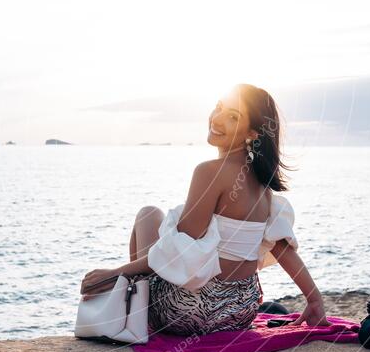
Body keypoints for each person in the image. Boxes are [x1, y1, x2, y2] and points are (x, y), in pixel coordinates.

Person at [80, 84, 329, 335]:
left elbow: (178, 254)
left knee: (148, 214)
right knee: (156, 220)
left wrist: (113, 274)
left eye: (233, 117)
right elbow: (281, 246)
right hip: (241, 311)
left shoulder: (210, 171)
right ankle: (138, 304)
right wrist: (314, 299)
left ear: (253, 132)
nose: (218, 118)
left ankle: (136, 311)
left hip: (193, 312)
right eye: (219, 107)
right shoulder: (263, 185)